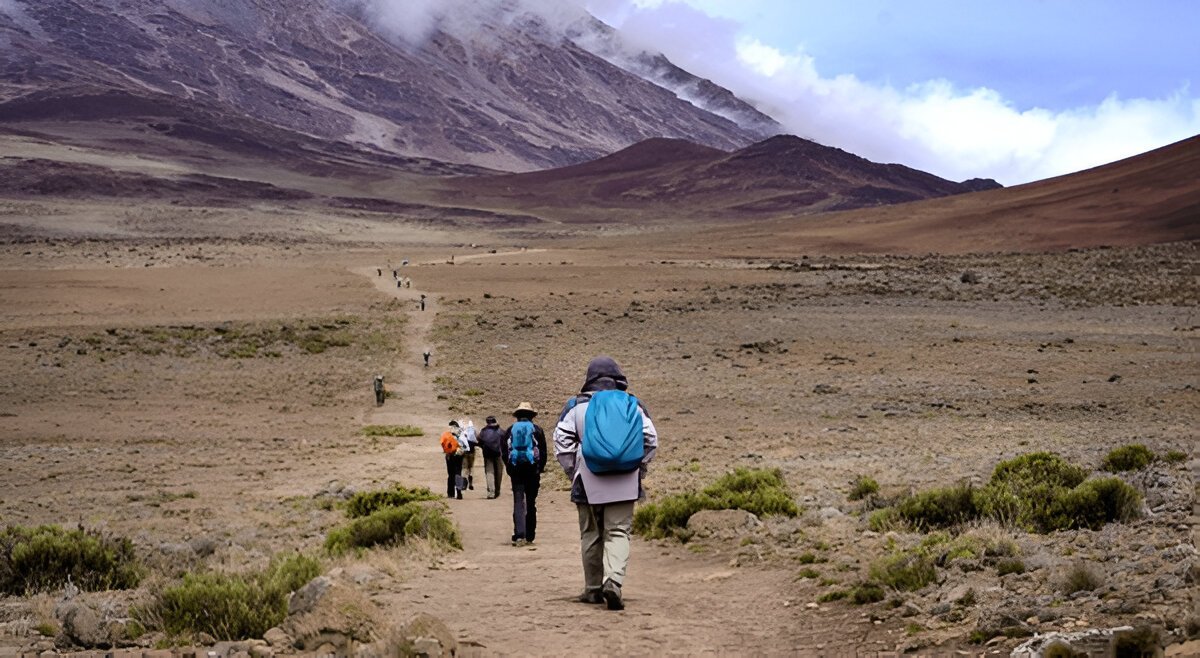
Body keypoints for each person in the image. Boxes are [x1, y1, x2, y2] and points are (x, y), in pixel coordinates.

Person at [553, 356, 657, 611]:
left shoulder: (575, 406)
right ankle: (614, 581)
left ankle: (592, 590)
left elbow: (561, 442)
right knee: (618, 532)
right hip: (625, 480)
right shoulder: (634, 405)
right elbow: (651, 439)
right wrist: (638, 467)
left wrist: (574, 470)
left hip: (587, 481)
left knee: (590, 534)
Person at [502, 402, 547, 546]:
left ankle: (519, 534)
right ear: (531, 416)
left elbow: (504, 452)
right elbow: (544, 452)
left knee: (518, 501)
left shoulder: (510, 430)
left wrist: (509, 468)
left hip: (516, 470)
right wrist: (540, 468)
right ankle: (530, 535)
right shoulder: (537, 430)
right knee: (531, 502)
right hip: (532, 470)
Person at [477, 415, 505, 499]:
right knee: (499, 472)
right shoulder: (501, 431)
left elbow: (479, 440)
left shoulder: (483, 431)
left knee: (489, 472)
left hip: (487, 455)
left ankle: (491, 492)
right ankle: (497, 491)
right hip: (498, 454)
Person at [440, 420, 463, 499]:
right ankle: (459, 491)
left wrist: (446, 450)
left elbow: (442, 443)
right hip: (459, 455)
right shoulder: (460, 433)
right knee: (458, 473)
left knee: (451, 474)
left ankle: (450, 493)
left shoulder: (446, 434)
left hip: (449, 455)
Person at [459, 419, 477, 491]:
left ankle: (464, 484)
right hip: (472, 452)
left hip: (465, 452)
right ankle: (471, 483)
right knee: (471, 468)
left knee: (464, 468)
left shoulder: (464, 432)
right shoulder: (473, 431)